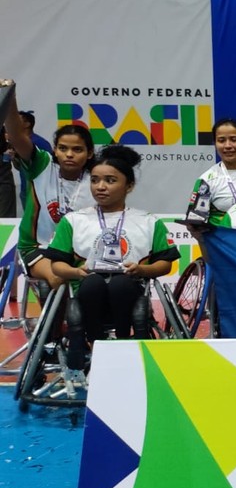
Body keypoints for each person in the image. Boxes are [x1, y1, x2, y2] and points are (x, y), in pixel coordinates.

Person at [47, 145, 179, 371]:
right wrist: (75, 272)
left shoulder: (148, 221)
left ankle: (121, 338)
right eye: (95, 180)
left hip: (129, 290)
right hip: (87, 291)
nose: (100, 187)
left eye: (110, 180)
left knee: (120, 283)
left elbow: (165, 264)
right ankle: (96, 342)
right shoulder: (73, 220)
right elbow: (57, 265)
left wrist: (142, 270)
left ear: (129, 186)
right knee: (93, 283)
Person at [2, 81, 95, 289]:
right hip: (37, 247)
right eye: (63, 148)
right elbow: (17, 135)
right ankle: (55, 321)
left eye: (77, 150)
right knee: (58, 278)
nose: (69, 154)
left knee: (96, 283)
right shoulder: (42, 165)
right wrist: (10, 95)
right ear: (55, 150)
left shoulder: (96, 179)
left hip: (80, 252)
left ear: (89, 153)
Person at [189, 118, 236, 225]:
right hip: (224, 240)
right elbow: (195, 222)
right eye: (221, 140)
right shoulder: (206, 180)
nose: (228, 146)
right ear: (215, 144)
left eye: (234, 139)